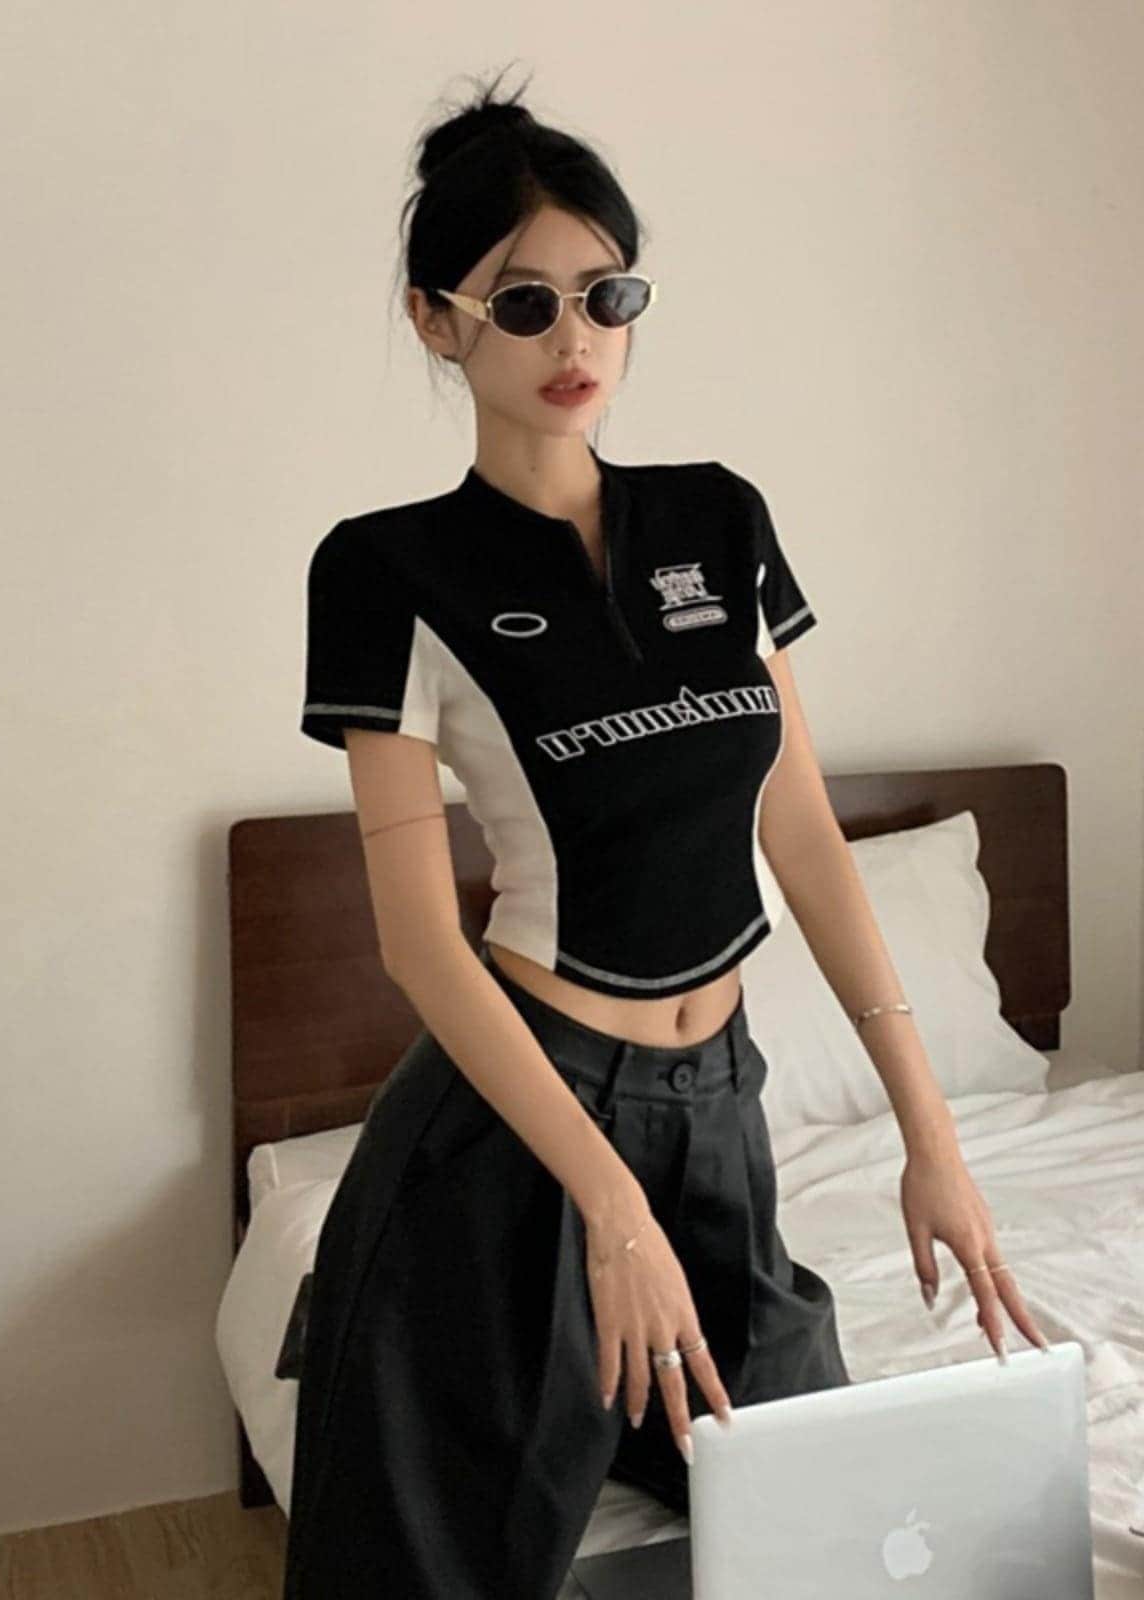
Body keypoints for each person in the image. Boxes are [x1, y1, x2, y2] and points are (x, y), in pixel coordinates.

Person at [281, 66, 1048, 1600]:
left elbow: (804, 833)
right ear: (436, 320)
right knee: (445, 1553)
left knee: (830, 1521)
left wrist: (933, 1138)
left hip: (719, 1110)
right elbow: (420, 944)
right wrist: (609, 1203)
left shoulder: (717, 519)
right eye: (524, 305)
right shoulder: (385, 570)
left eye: (606, 295)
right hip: (518, 1131)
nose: (576, 341)